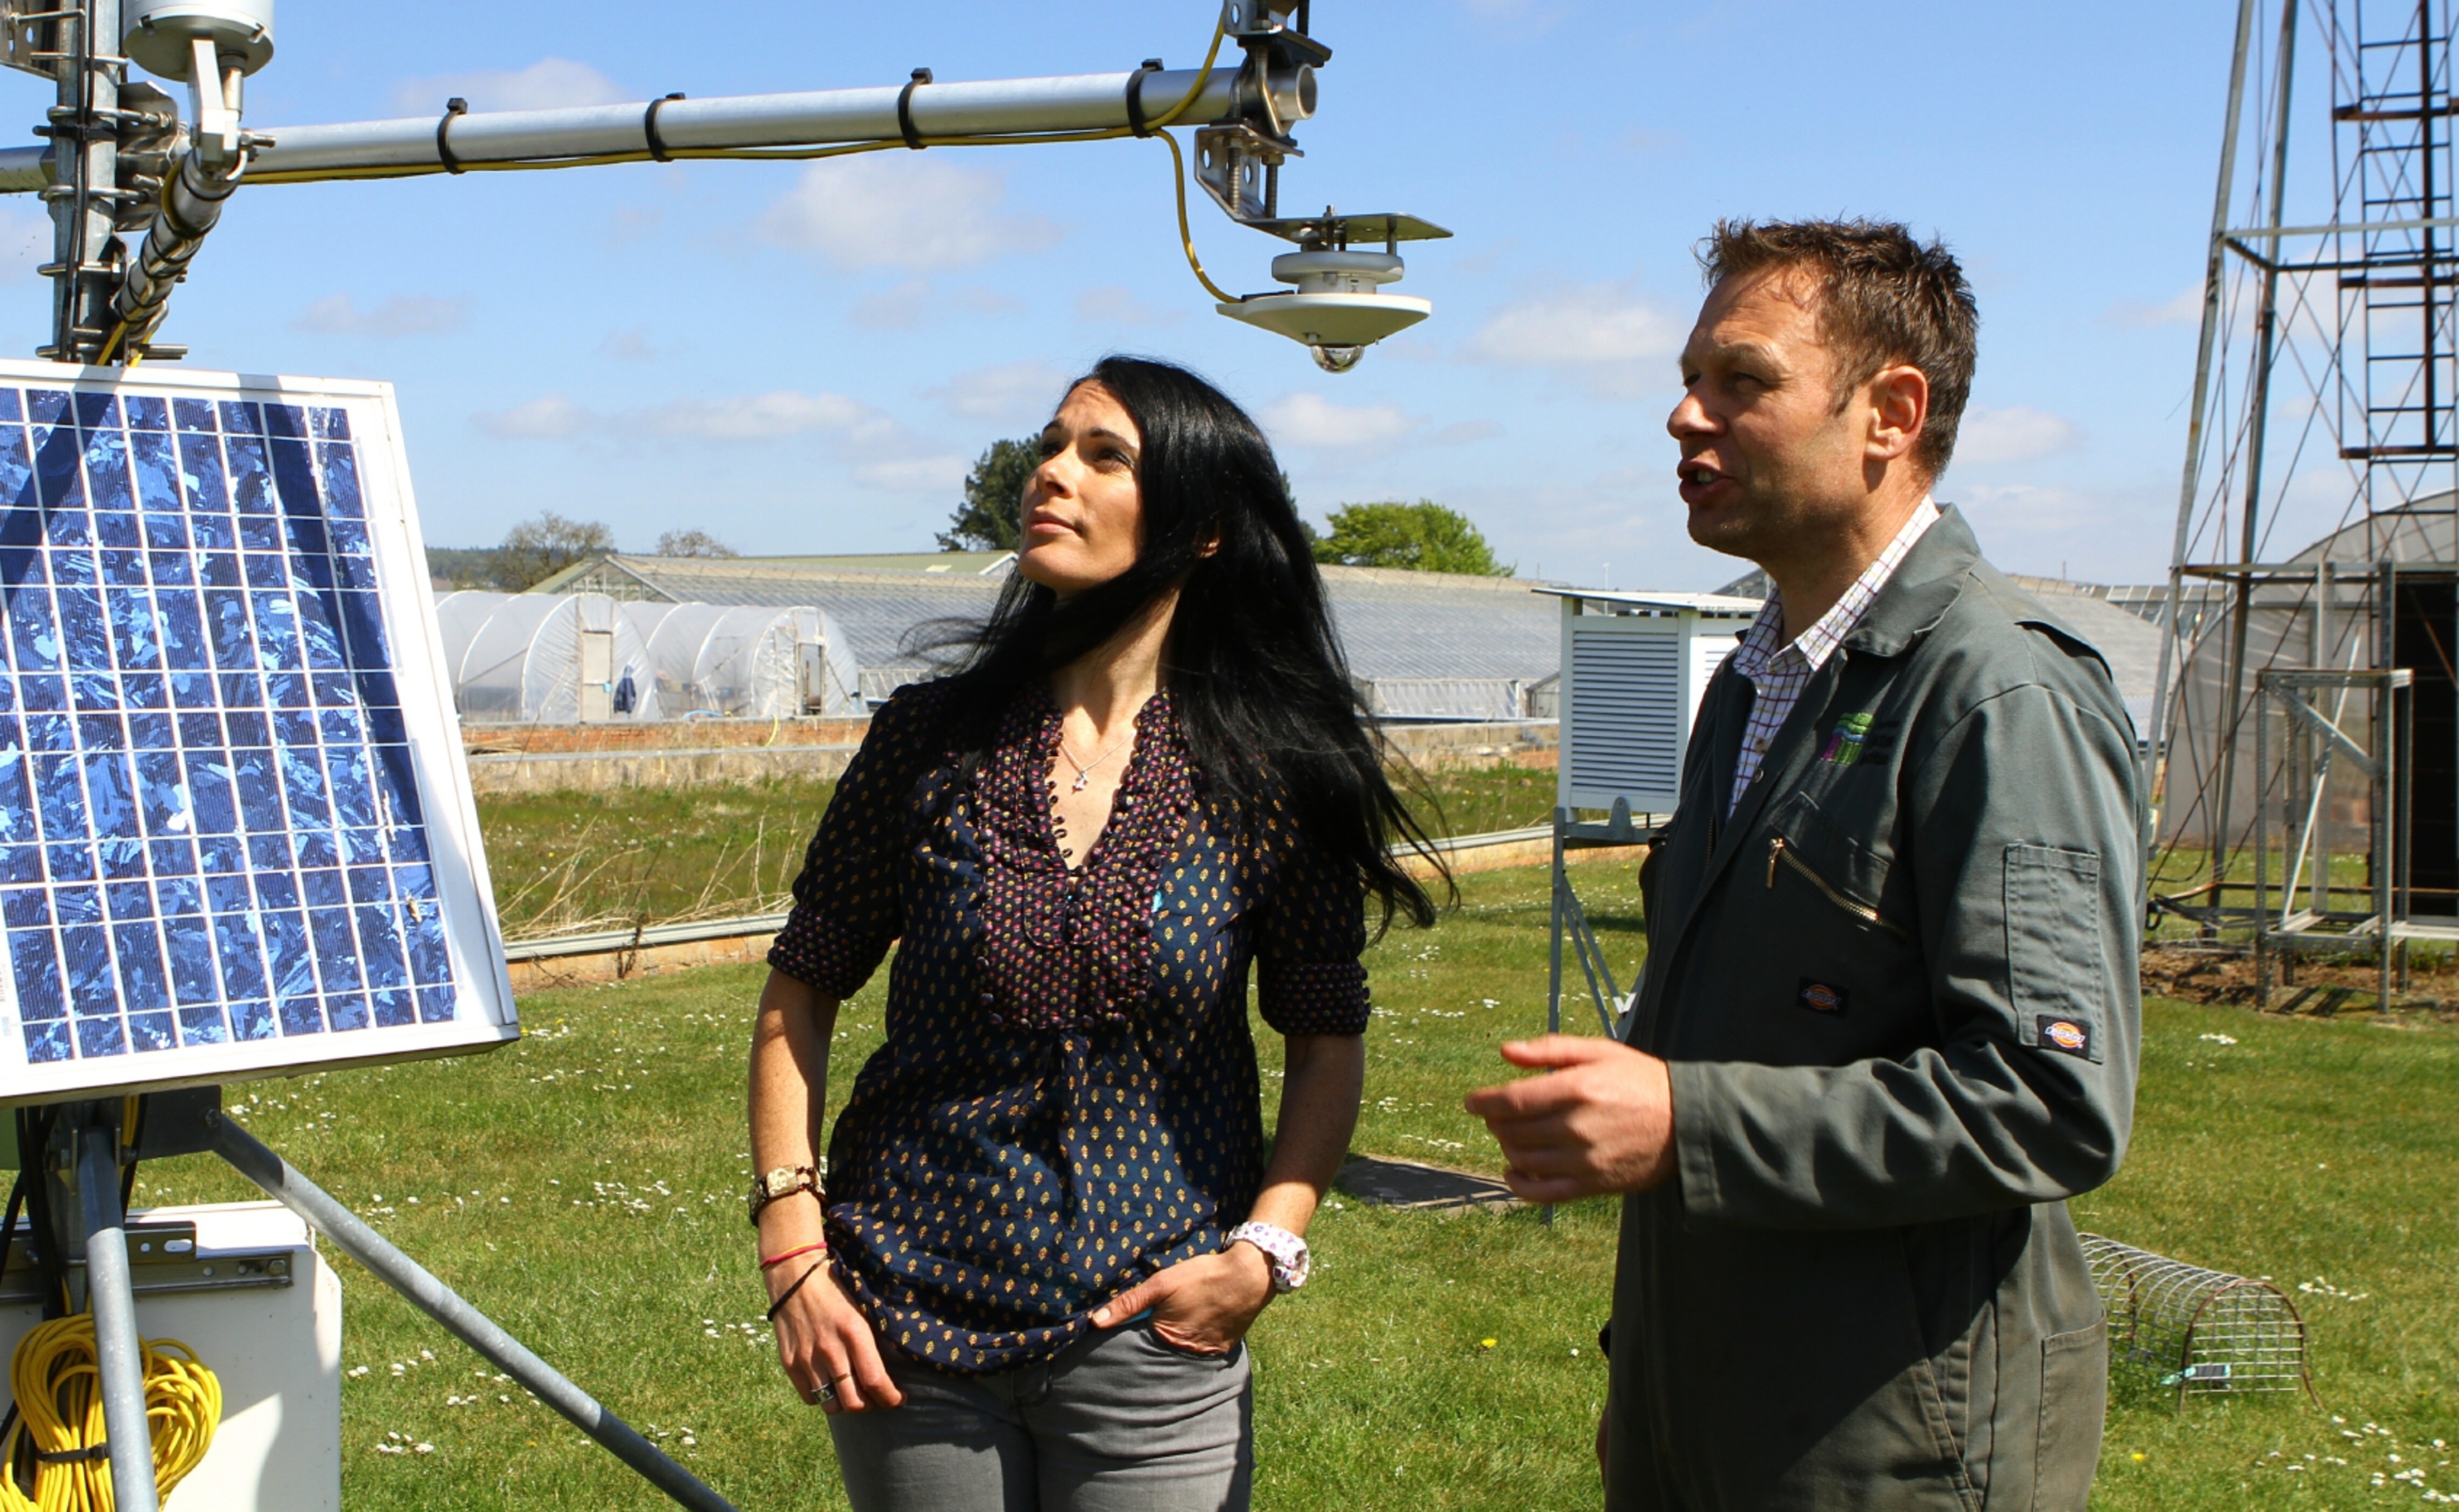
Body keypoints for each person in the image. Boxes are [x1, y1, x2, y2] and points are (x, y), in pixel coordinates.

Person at [1465, 220, 2139, 1511]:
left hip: (1889, 1442)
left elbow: (2050, 1097)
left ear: (1890, 411)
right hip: (1714, 1409)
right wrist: (1644, 1378)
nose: (1682, 414)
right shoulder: (1758, 684)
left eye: (1743, 379)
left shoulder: (1997, 690)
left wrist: (1684, 1121)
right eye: (1689, 375)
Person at [746, 355, 1440, 1511]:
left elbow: (1324, 1038)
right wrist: (792, 1239)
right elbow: (799, 990)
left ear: (1201, 528)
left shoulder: (1268, 776)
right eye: (1053, 444)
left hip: (1153, 1326)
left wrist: (1265, 1250)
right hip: (909, 1323)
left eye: (1103, 455)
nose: (1051, 474)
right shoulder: (931, 740)